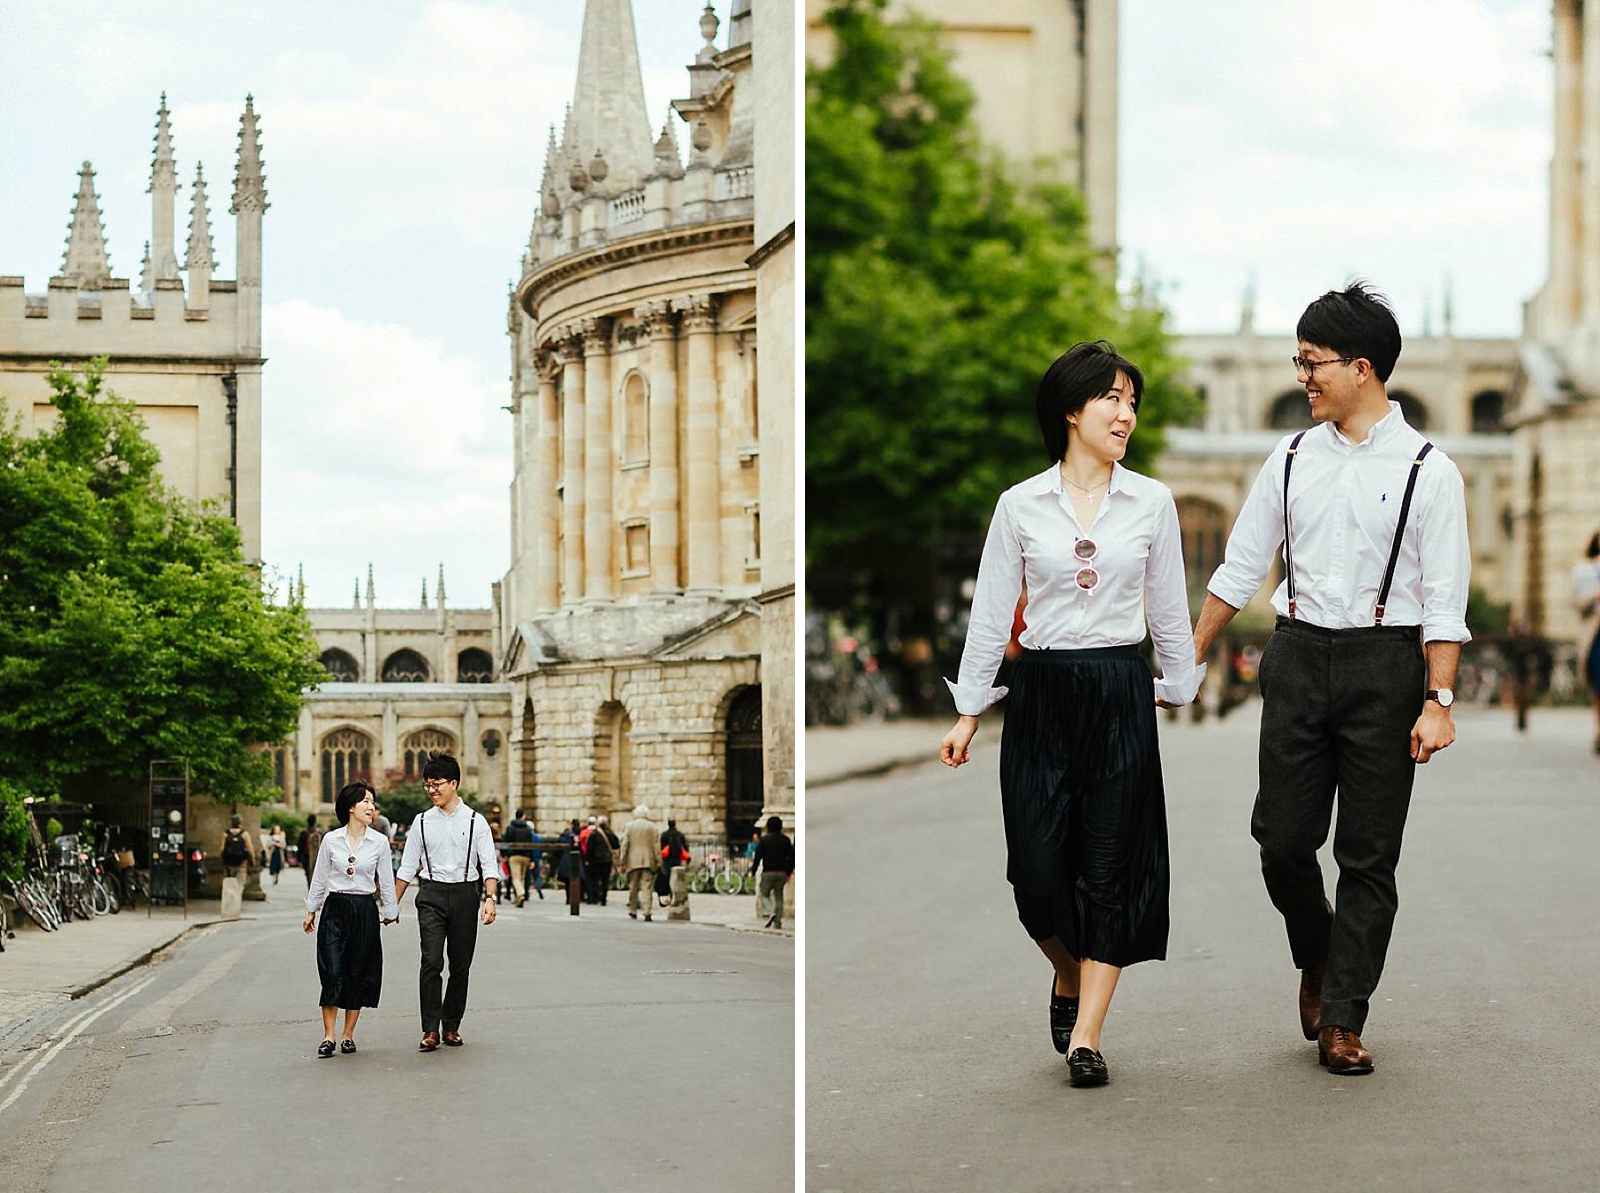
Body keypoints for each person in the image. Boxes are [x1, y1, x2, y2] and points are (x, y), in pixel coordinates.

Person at [1193, 283, 1471, 1077]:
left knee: (1368, 855)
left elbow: (1444, 598)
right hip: (1298, 655)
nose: (1302, 377)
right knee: (1281, 841)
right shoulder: (1287, 460)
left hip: (1386, 665)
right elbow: (1240, 565)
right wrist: (1185, 655)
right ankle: (1316, 950)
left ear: (1361, 368)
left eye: (1312, 364)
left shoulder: (1431, 471)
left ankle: (1344, 1015)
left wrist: (1437, 700)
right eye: (1298, 362)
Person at [939, 340, 1205, 1089]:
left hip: (1120, 687)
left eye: (1132, 401)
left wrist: (1178, 685)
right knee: (1037, 874)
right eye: (1111, 398)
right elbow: (993, 613)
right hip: (1042, 694)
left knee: (1113, 866)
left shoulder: (1152, 501)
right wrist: (969, 710)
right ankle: (1065, 970)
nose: (1125, 413)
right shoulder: (1019, 505)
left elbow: (1168, 608)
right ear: (1070, 409)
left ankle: (1087, 1033)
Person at [392, 755, 499, 1052]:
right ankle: (430, 1029)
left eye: (437, 784)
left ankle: (451, 1025)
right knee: (431, 960)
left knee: (461, 964)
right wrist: (392, 904)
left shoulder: (476, 822)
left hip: (465, 894)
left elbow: (489, 865)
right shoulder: (422, 821)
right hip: (431, 895)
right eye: (427, 785)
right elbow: (407, 867)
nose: (431, 790)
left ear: (453, 783)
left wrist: (489, 899)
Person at [302, 780, 397, 1057]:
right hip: (335, 908)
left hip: (364, 909)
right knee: (332, 970)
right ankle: (328, 1035)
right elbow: (319, 878)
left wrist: (390, 911)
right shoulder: (331, 840)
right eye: (366, 801)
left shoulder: (379, 842)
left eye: (372, 801)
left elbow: (386, 881)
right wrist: (312, 909)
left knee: (357, 972)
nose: (372, 806)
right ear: (350, 807)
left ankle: (347, 1035)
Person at [1574, 531, 1600, 754]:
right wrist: (1595, 595)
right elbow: (1578, 604)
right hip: (1595, 634)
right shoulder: (1584, 572)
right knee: (1597, 685)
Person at [750, 815, 795, 930]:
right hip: (781, 872)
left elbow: (758, 857)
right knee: (779, 896)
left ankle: (770, 911)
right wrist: (789, 871)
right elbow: (791, 857)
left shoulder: (764, 840)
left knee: (763, 893)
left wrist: (753, 871)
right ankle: (778, 922)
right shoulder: (785, 840)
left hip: (768, 872)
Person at [617, 804, 660, 921]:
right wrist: (658, 861)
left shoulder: (629, 826)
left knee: (633, 886)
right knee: (647, 887)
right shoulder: (652, 827)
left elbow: (624, 844)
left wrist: (622, 861)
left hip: (633, 860)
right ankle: (647, 911)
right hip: (648, 860)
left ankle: (633, 910)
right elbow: (656, 846)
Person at [503, 808, 536, 907]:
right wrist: (532, 859)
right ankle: (518, 897)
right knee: (521, 878)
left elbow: (506, 842)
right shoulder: (528, 829)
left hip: (514, 856)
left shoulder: (511, 828)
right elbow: (531, 844)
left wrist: (506, 854)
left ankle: (520, 894)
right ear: (523, 816)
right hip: (526, 856)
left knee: (515, 878)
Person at [556, 818, 584, 916]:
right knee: (576, 879)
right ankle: (576, 898)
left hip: (565, 860)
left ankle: (569, 898)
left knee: (568, 881)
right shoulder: (576, 836)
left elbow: (558, 848)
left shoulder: (563, 836)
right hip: (575, 859)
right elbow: (578, 847)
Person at [219, 815, 254, 889]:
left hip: (229, 863)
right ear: (240, 823)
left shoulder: (226, 834)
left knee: (229, 884)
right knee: (240, 884)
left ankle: (230, 899)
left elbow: (222, 849)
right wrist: (252, 862)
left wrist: (222, 859)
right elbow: (250, 849)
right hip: (242, 863)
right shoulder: (244, 834)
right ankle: (237, 899)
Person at [296, 814, 324, 886]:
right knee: (317, 877)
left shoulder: (303, 833)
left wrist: (299, 860)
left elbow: (300, 847)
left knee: (309, 876)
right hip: (318, 858)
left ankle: (310, 890)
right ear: (315, 822)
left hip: (306, 857)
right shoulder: (320, 833)